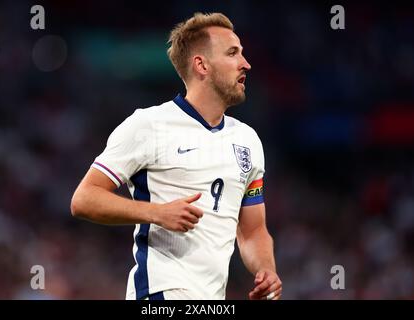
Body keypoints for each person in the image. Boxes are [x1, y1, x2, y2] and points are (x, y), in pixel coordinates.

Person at [70, 12, 282, 300]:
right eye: (233, 53)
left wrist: (266, 269)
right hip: (160, 293)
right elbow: (84, 198)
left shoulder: (248, 140)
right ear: (201, 65)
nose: (246, 63)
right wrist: (156, 213)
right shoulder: (148, 125)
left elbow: (253, 230)